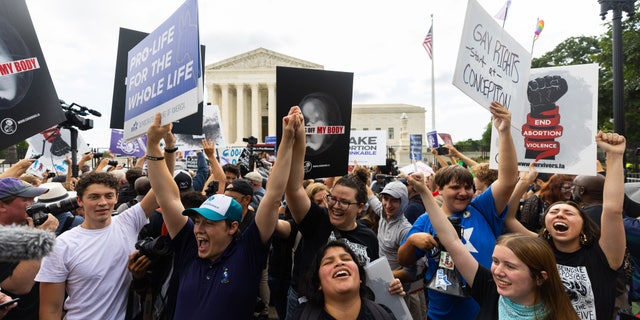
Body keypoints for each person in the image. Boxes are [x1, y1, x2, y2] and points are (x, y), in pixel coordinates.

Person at [144, 109, 298, 319]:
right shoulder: (189, 247)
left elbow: (272, 197)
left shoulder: (247, 253)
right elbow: (167, 196)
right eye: (197, 221)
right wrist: (153, 145)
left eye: (209, 223)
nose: (198, 229)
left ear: (232, 227)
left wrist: (287, 139)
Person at [397, 101, 518, 320]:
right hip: (442, 313)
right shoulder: (425, 220)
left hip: (487, 310)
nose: (463, 192)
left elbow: (508, 180)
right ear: (439, 190)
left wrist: (505, 132)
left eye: (468, 187)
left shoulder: (483, 208)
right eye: (455, 187)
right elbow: (404, 260)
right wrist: (412, 242)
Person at [407, 171, 579, 320]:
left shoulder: (558, 312)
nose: (497, 271)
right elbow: (451, 241)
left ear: (540, 278)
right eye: (495, 261)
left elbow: (507, 179)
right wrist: (423, 190)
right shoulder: (491, 290)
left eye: (511, 266)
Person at [284, 106, 404, 319]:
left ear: (360, 207)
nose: (335, 205)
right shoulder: (317, 220)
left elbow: (372, 281)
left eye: (344, 202)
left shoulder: (369, 237)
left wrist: (392, 287)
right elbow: (293, 188)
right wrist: (299, 139)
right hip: (309, 308)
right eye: (333, 199)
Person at [505, 131, 627, 320]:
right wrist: (524, 181)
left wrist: (614, 156)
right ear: (546, 223)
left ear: (584, 224)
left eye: (569, 212)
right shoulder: (540, 249)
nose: (560, 214)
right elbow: (509, 219)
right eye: (553, 212)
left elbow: (612, 210)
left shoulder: (604, 255)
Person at [36, 172, 159, 320]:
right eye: (94, 197)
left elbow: (161, 186)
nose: (102, 202)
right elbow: (50, 309)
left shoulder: (128, 222)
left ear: (116, 198)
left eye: (109, 196)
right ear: (79, 201)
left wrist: (167, 150)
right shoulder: (61, 245)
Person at [293, 241, 398, 320]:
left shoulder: (383, 315)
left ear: (360, 277)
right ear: (318, 283)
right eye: (328, 262)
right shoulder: (301, 316)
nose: (339, 263)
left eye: (346, 259)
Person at [0, 178, 57, 320]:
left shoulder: (29, 226)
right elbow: (19, 286)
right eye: (27, 200)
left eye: (34, 198)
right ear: (2, 205)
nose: (34, 204)